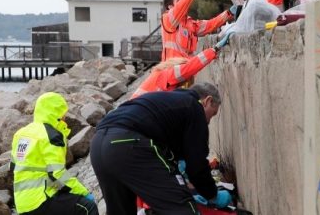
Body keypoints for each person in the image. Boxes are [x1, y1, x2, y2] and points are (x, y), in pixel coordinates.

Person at [90, 82, 232, 215]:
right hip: (127, 142)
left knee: (121, 211)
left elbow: (169, 152)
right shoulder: (194, 107)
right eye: (212, 115)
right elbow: (197, 166)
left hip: (98, 144)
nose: (208, 122)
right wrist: (212, 195)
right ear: (207, 101)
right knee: (182, 207)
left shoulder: (170, 102)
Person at [10, 92, 98, 215]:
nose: (65, 118)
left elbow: (13, 168)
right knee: (87, 207)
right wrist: (83, 192)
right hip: (41, 199)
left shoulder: (21, 133)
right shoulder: (51, 135)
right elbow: (57, 174)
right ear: (55, 113)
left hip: (22, 203)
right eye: (63, 114)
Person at [162, 0, 241, 87]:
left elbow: (209, 25)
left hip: (186, 74)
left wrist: (228, 13)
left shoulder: (188, 23)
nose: (183, 3)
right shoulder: (168, 19)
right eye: (179, 1)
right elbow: (184, 3)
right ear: (170, 7)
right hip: (172, 76)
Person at [131, 32, 233, 99]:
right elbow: (190, 67)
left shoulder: (160, 76)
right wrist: (214, 49)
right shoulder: (167, 75)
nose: (184, 82)